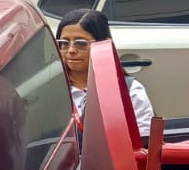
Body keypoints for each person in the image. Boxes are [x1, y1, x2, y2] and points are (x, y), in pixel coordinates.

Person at [56, 8, 153, 137]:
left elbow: (143, 140)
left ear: (104, 44)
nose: (71, 50)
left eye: (81, 43)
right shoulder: (49, 91)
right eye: (64, 43)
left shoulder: (130, 91)